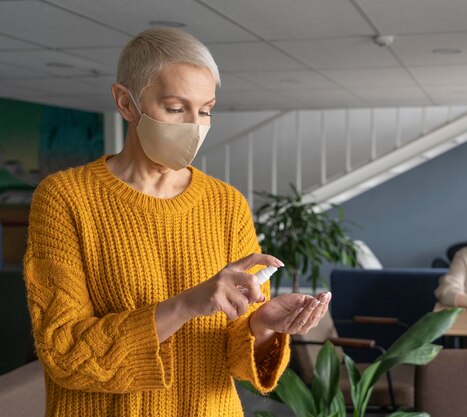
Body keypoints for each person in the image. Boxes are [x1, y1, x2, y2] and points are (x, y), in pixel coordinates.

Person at [24, 28, 331, 417]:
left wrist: (263, 326)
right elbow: (65, 353)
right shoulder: (66, 198)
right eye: (174, 108)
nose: (194, 125)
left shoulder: (226, 204)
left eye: (205, 110)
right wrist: (185, 305)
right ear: (125, 102)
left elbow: (235, 359)